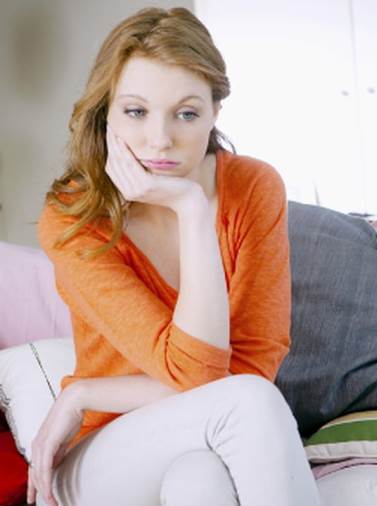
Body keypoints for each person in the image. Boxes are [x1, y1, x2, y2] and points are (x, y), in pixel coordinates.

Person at [32, 8, 319, 506]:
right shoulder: (74, 216)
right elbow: (211, 380)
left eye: (185, 114)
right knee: (247, 403)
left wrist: (84, 392)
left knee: (200, 480)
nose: (160, 140)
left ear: (215, 113)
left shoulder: (252, 187)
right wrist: (190, 206)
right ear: (107, 112)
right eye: (136, 112)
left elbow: (252, 366)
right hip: (102, 450)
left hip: (205, 433)